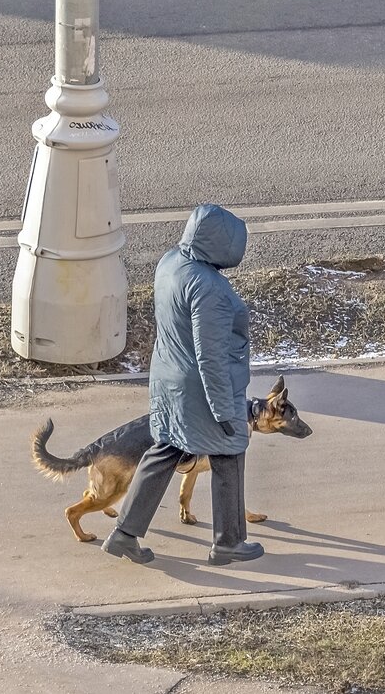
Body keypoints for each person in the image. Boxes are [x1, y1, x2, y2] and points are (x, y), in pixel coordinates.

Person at [102, 203, 262, 566]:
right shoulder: (211, 289)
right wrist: (224, 411)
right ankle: (229, 543)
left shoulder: (171, 262)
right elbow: (212, 356)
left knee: (165, 449)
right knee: (229, 452)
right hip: (201, 387)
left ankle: (125, 534)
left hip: (168, 377)